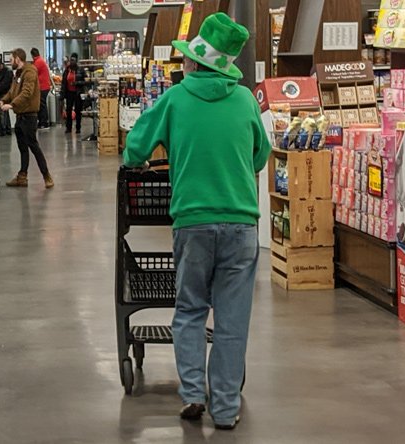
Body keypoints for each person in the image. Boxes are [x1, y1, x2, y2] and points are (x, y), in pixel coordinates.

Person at [122, 13, 270, 430]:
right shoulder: (244, 99)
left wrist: (146, 157)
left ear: (193, 62)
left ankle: (191, 393)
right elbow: (260, 154)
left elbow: (135, 148)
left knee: (189, 309)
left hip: (192, 221)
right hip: (241, 224)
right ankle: (225, 408)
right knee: (231, 319)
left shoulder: (175, 98)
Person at [0, 48, 54, 189]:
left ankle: (47, 176)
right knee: (22, 147)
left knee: (34, 146)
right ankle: (22, 177)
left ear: (18, 59)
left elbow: (27, 93)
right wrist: (3, 101)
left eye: (11, 60)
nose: (10, 63)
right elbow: (12, 92)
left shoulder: (30, 73)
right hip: (20, 116)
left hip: (29, 116)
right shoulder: (18, 74)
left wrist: (12, 105)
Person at [61, 53, 86, 134]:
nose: (72, 62)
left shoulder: (80, 70)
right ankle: (68, 127)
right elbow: (63, 82)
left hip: (78, 93)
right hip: (69, 93)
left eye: (73, 60)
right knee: (68, 110)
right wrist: (62, 93)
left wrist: (76, 83)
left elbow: (85, 81)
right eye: (71, 60)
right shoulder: (67, 70)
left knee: (78, 110)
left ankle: (78, 127)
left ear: (76, 61)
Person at [31, 48, 51, 130]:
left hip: (42, 87)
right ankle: (43, 122)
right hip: (45, 86)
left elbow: (33, 73)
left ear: (32, 55)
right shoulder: (40, 60)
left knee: (42, 105)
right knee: (42, 104)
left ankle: (44, 122)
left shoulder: (38, 62)